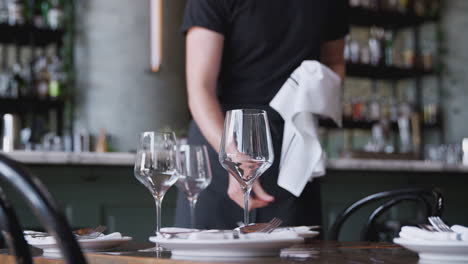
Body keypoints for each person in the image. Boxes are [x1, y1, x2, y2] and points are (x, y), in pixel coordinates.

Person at [175, 0, 348, 229]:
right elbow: (200, 89)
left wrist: (312, 95)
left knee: (296, 254)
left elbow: (335, 62)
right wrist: (232, 157)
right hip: (220, 141)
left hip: (292, 145)